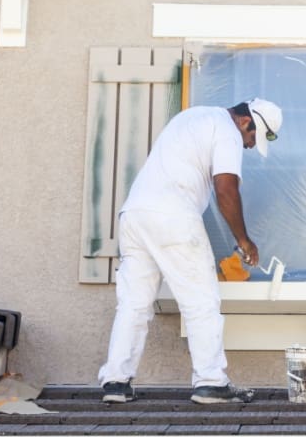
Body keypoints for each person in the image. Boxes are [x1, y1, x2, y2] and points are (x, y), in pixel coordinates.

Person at [97, 98, 283, 405]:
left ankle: (116, 382)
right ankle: (210, 382)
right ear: (246, 122)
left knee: (133, 303)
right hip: (173, 216)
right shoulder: (227, 130)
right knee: (201, 300)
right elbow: (225, 188)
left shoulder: (193, 117)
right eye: (252, 138)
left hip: (134, 214)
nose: (250, 145)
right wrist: (244, 240)